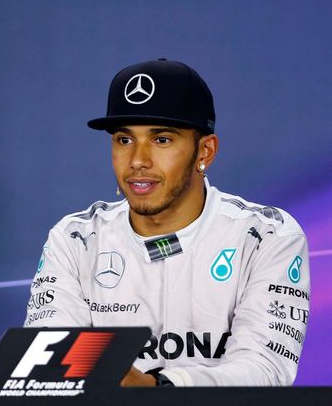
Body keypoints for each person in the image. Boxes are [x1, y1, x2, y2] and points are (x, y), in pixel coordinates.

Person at [24, 59, 309, 386]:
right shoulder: (75, 239)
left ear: (205, 151)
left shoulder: (266, 236)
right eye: (124, 139)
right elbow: (51, 370)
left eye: (161, 140)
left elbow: (265, 370)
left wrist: (157, 390)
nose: (137, 161)